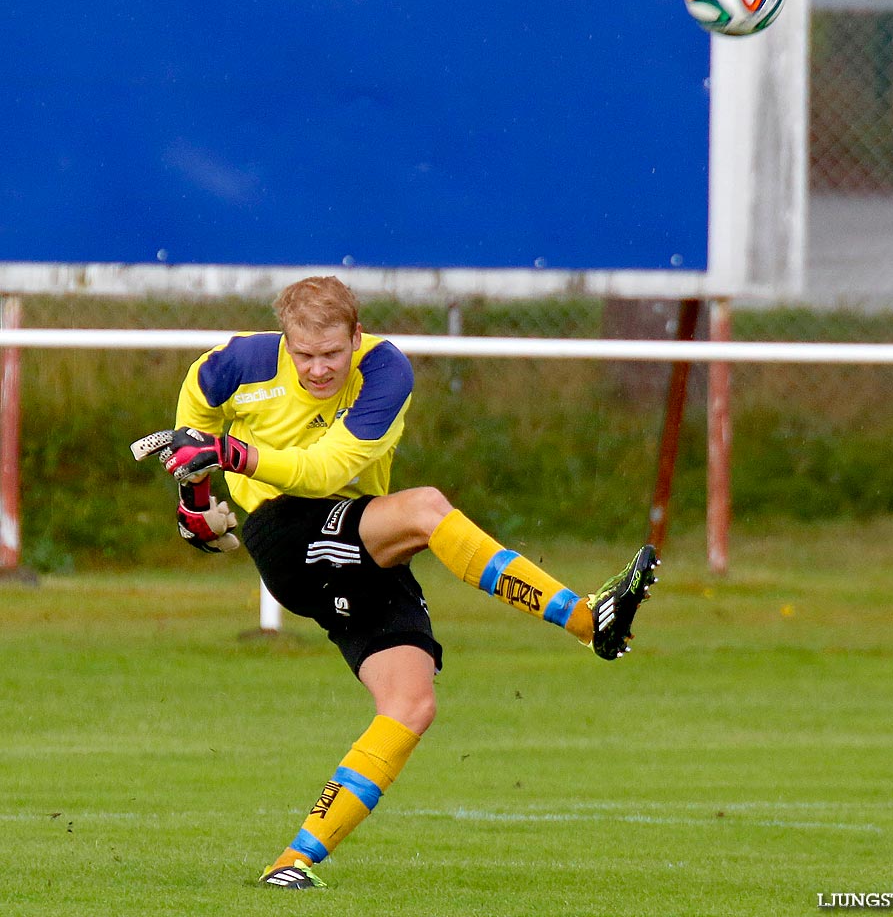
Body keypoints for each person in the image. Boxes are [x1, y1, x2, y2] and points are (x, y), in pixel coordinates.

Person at [132, 275, 656, 890]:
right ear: (285, 340)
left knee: (411, 704)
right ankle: (586, 619)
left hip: (353, 535)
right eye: (304, 355)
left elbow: (324, 468)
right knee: (427, 508)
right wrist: (194, 499)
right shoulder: (235, 364)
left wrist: (232, 455)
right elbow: (194, 420)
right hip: (283, 533)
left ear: (357, 336)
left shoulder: (385, 373)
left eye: (332, 354)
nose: (319, 369)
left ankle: (293, 861)